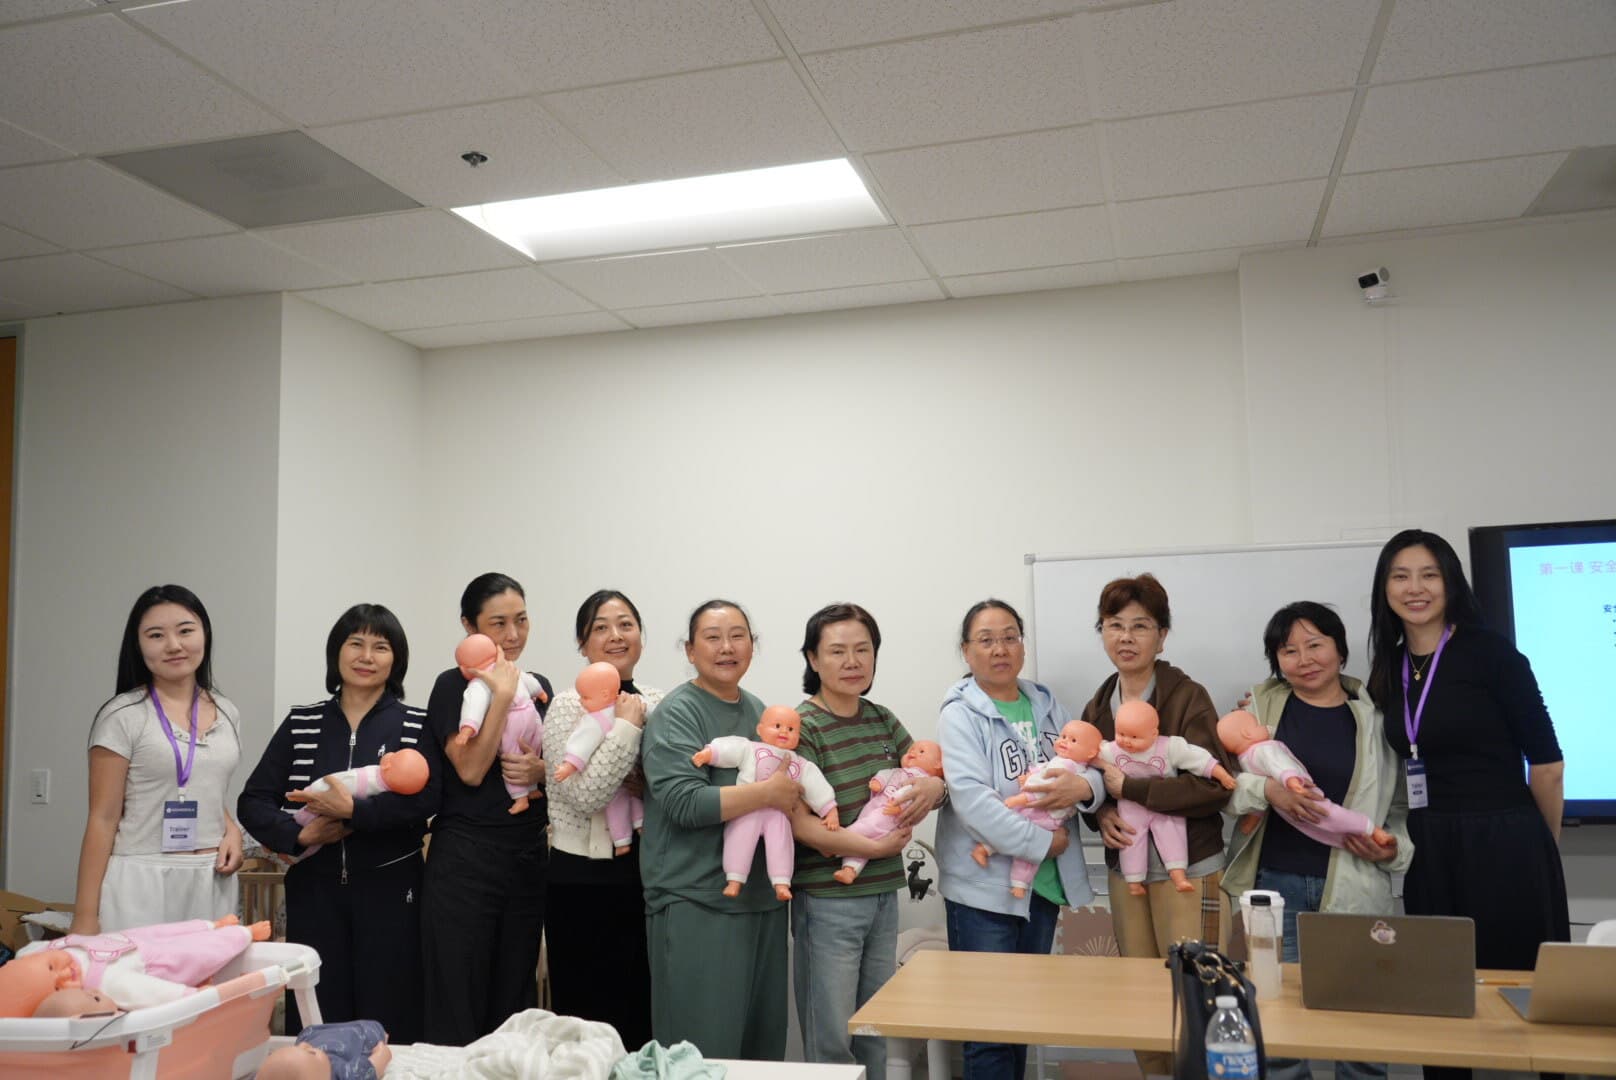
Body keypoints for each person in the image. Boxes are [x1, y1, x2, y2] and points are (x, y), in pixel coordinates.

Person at [1367, 530, 1566, 1080]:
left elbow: (1547, 764)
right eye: (1400, 575)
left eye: (1429, 574)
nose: (1415, 588)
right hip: (1431, 847)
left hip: (1506, 843)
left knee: (1531, 1000)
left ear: (1451, 582)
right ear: (1384, 589)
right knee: (1441, 999)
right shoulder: (1391, 665)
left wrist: (1540, 849)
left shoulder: (1490, 652)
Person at [1222, 601, 1411, 1080]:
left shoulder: (1378, 717)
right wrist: (1266, 790)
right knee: (1279, 1024)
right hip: (1273, 885)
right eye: (1288, 650)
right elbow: (1221, 787)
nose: (1304, 658)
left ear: (1340, 650)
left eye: (1315, 645)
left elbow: (1400, 809)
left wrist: (1393, 850)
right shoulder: (1256, 711)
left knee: (1362, 1028)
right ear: (1276, 660)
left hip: (1355, 886)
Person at [238, 603, 439, 1044]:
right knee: (317, 1022)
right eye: (356, 643)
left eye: (380, 646)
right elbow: (253, 800)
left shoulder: (416, 723)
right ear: (337, 653)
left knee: (391, 1020)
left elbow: (427, 800)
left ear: (396, 660)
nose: (367, 656)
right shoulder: (302, 722)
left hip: (393, 892)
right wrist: (298, 835)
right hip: (315, 890)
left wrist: (354, 812)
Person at [936, 599, 1103, 1080]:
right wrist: (1040, 844)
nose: (1000, 649)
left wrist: (1086, 789)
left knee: (1023, 1019)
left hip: (1042, 890)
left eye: (1010, 636)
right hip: (983, 889)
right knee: (989, 1028)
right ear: (967, 652)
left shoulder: (1050, 705)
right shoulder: (960, 714)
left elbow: (1090, 769)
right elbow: (972, 802)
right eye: (985, 640)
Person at [1076, 573, 1233, 1079]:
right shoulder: (1098, 705)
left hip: (1192, 872)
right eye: (1114, 625)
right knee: (1142, 999)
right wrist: (1099, 814)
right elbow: (1090, 781)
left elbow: (1216, 786)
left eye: (1140, 626)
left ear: (1162, 636)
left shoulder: (1188, 696)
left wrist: (1134, 790)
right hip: (1128, 874)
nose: (1126, 637)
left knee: (1200, 1000)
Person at [787, 603, 946, 1079]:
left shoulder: (880, 719)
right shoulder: (802, 727)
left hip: (881, 895)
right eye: (837, 651)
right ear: (813, 660)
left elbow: (926, 772)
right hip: (828, 898)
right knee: (833, 1036)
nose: (852, 661)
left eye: (863, 649)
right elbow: (797, 822)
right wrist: (872, 848)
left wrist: (936, 789)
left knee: (877, 1028)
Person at [640, 599, 795, 1060]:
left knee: (761, 1053)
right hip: (696, 901)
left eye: (738, 636)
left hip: (764, 901)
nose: (726, 647)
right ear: (690, 650)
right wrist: (768, 794)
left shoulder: (761, 711)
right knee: (699, 1056)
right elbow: (686, 802)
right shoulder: (677, 712)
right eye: (712, 637)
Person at [420, 573, 553, 1045]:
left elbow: (555, 769)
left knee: (514, 1005)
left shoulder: (539, 687)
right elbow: (472, 769)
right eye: (498, 623)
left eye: (521, 620)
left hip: (527, 858)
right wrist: (498, 694)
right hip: (465, 862)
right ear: (468, 626)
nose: (513, 635)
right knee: (457, 1000)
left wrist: (541, 770)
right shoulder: (449, 687)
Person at [72, 585, 244, 934]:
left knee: (209, 987)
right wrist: (85, 916)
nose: (174, 645)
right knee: (140, 988)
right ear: (138, 645)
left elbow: (204, 785)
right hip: (141, 878)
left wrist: (232, 830)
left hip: (212, 878)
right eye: (156, 635)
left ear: (204, 634)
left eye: (185, 630)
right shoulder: (122, 715)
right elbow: (103, 818)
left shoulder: (227, 712)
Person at [541, 589, 659, 1051]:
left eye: (626, 624)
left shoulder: (659, 699)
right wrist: (628, 730)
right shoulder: (568, 705)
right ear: (583, 643)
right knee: (586, 1025)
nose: (616, 635)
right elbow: (585, 792)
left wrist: (643, 779)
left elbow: (677, 782)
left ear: (641, 638)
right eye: (601, 627)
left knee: (642, 1015)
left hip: (646, 875)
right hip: (580, 882)